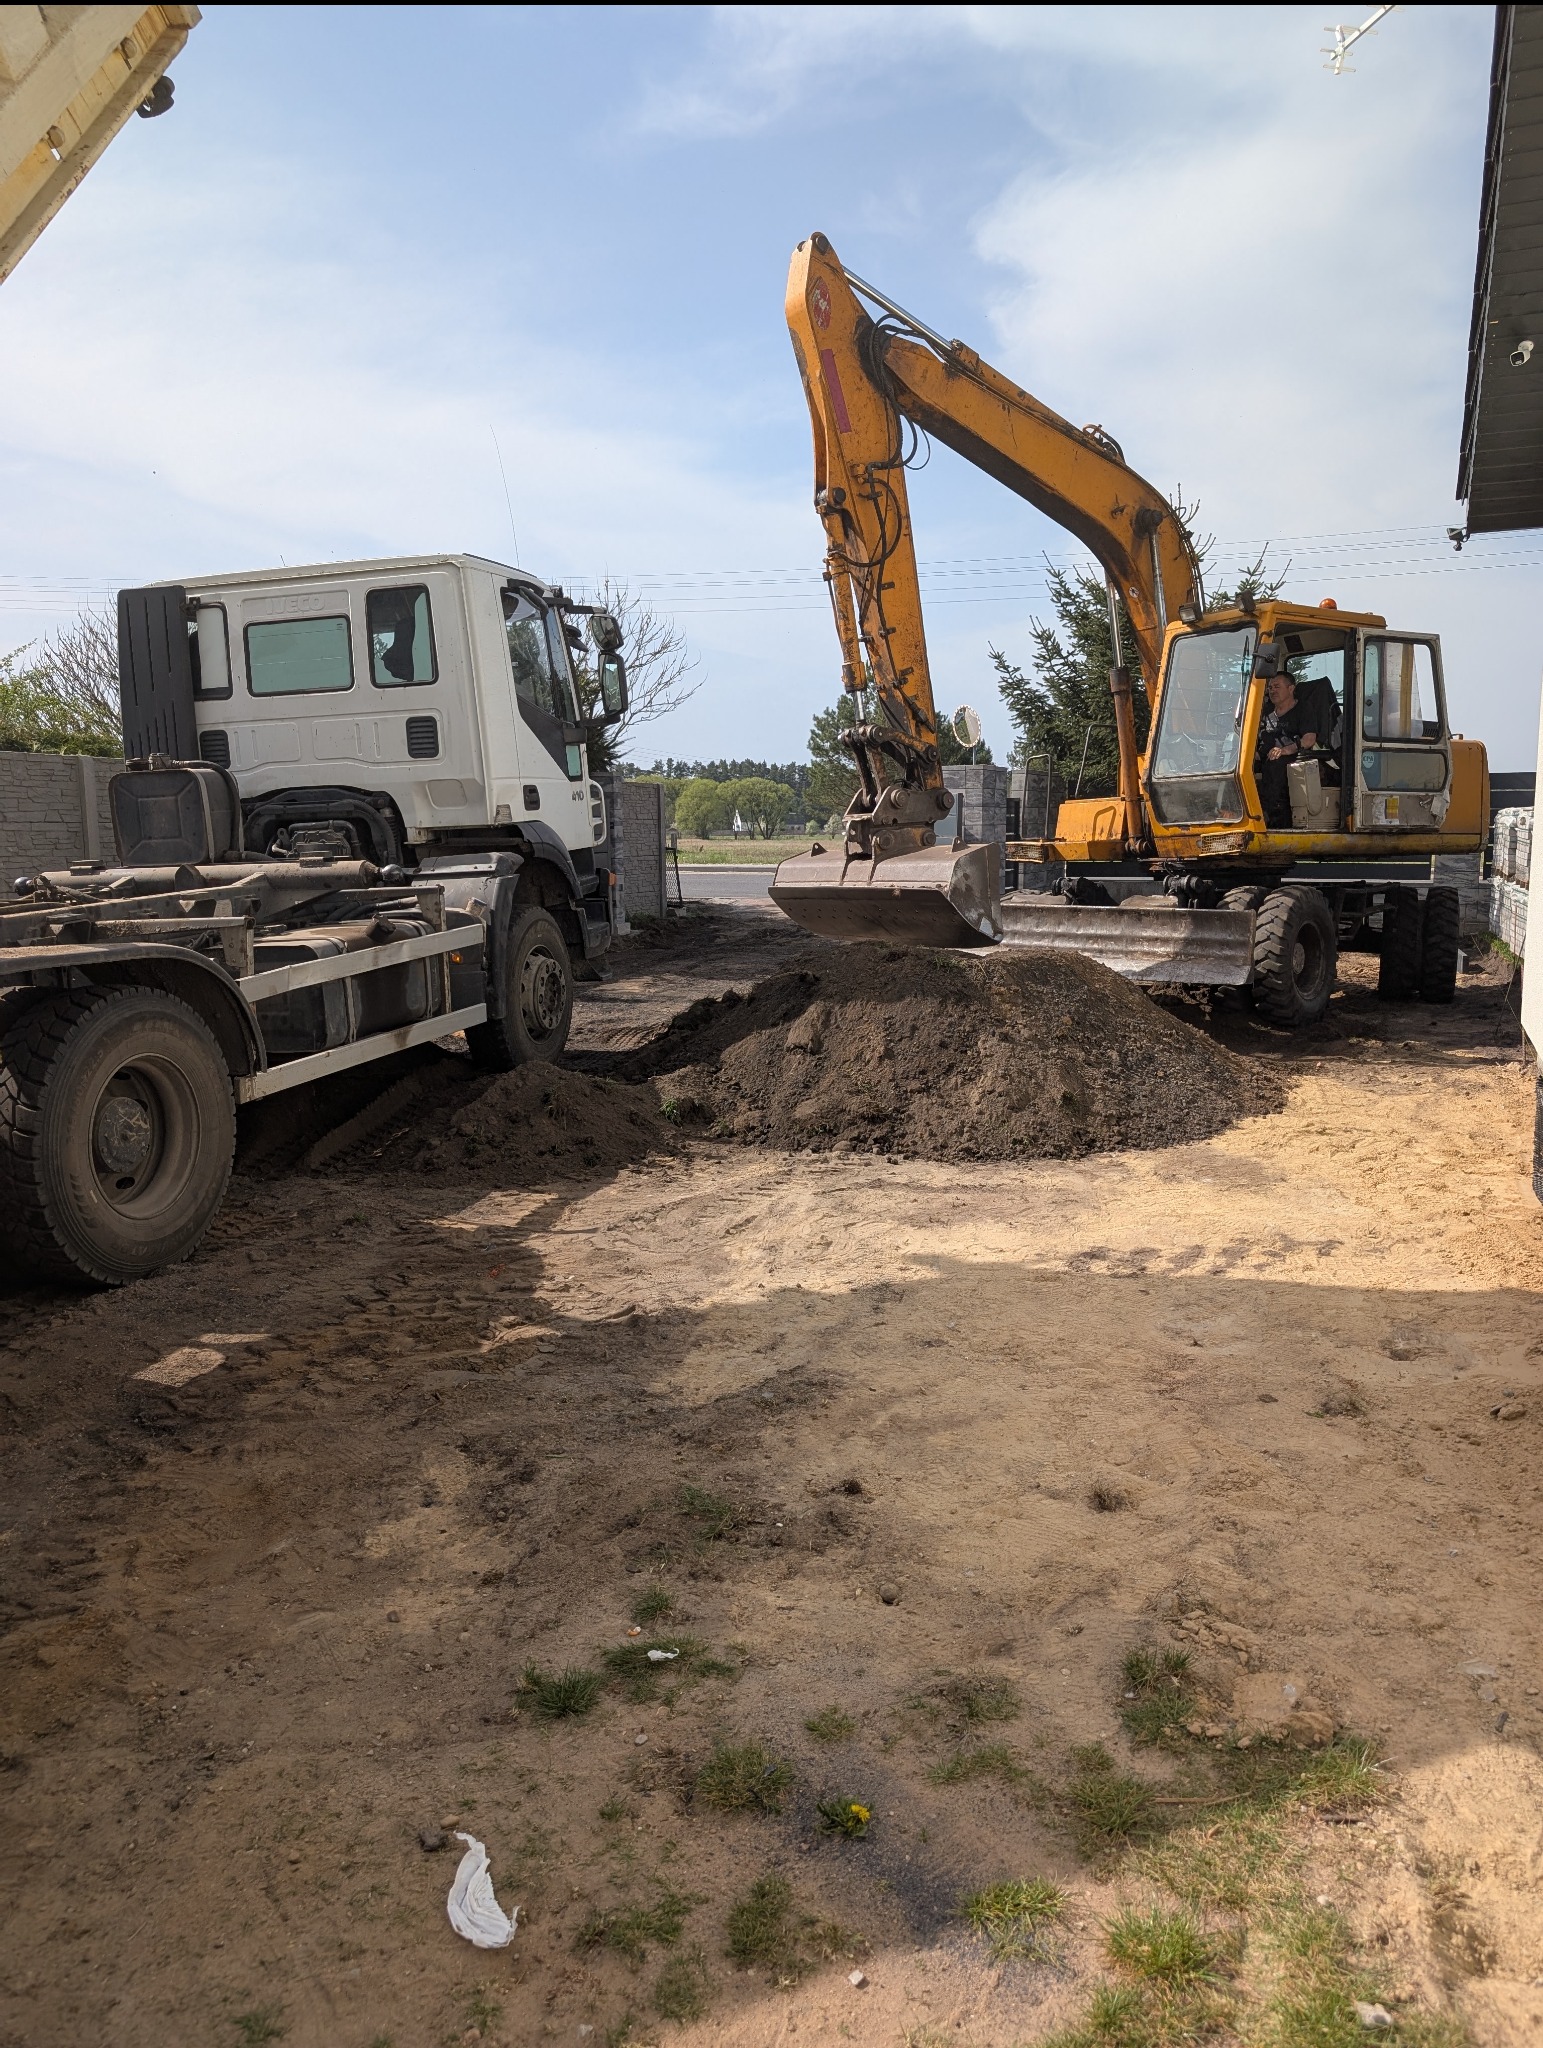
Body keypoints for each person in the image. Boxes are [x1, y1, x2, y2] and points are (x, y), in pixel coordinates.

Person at [1255, 672, 1339, 827]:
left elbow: (1309, 739)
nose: (1272, 690)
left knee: (1275, 764)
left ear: (1291, 688)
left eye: (1277, 687)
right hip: (1265, 754)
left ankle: (1268, 815)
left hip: (1292, 755)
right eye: (1270, 687)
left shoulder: (1303, 709)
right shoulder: (1266, 711)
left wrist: (1285, 750)